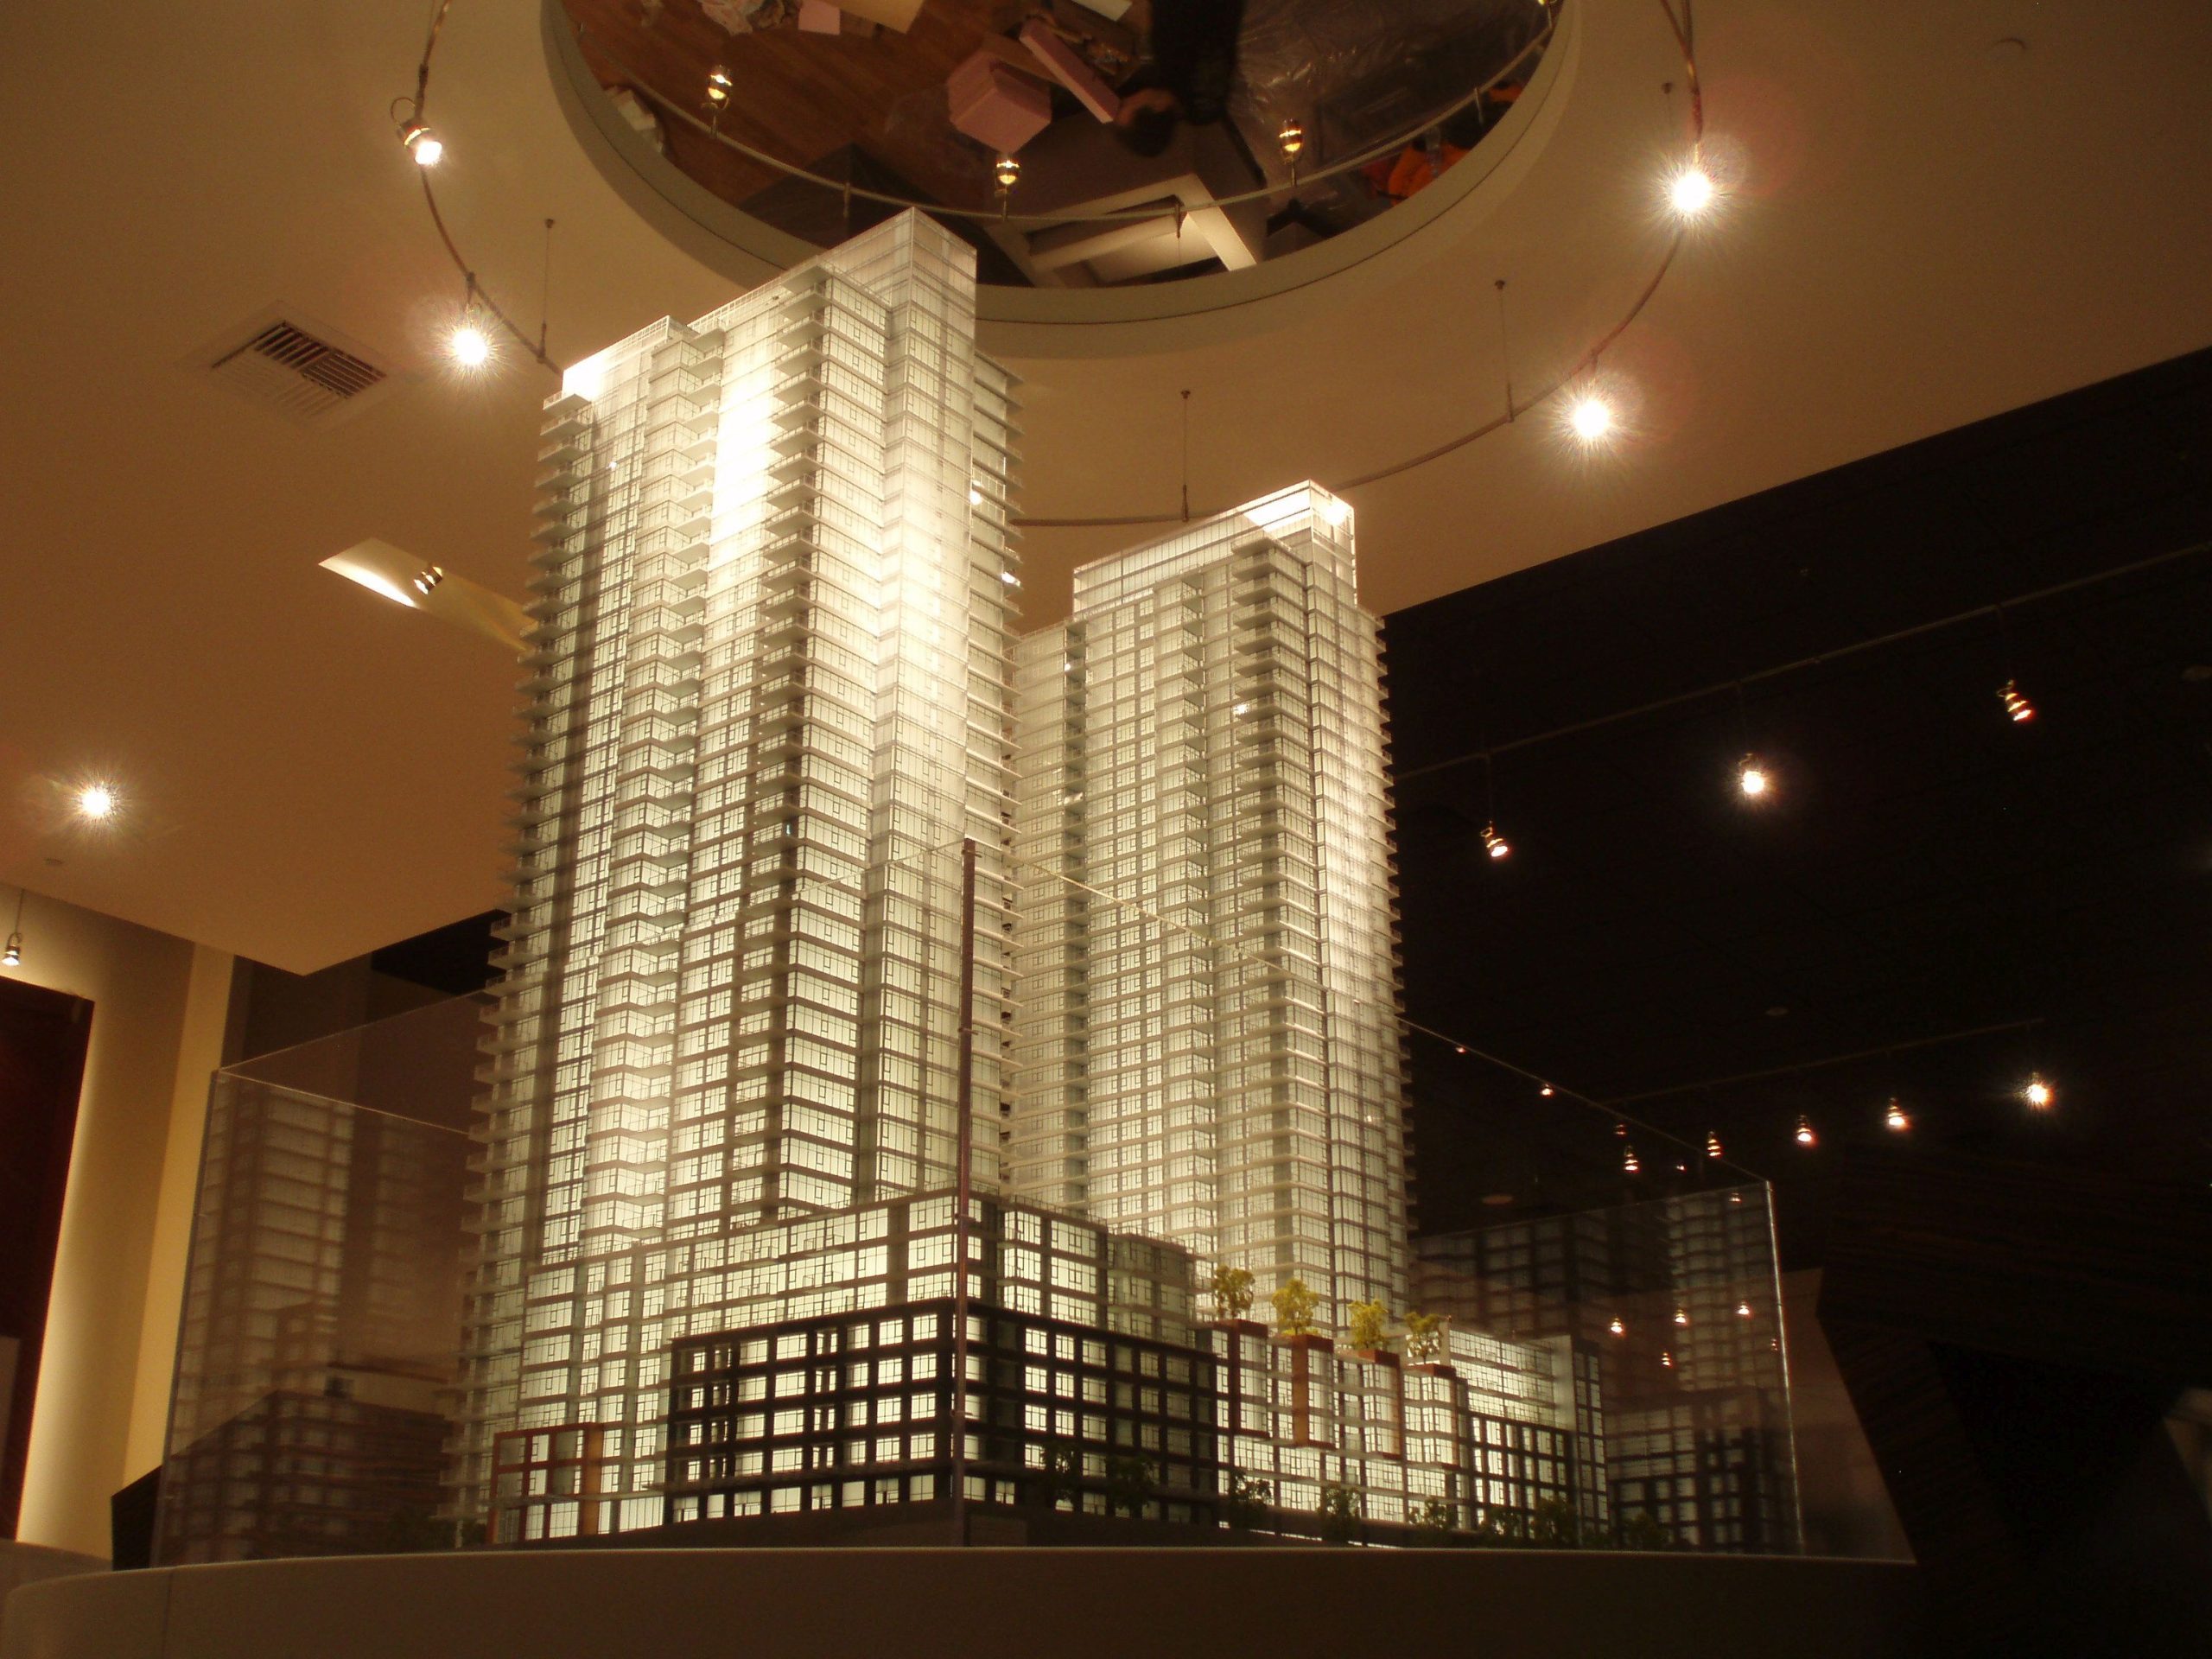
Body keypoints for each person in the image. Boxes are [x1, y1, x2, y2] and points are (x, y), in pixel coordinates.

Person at [1113, 0, 1247, 157]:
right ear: (1157, 107)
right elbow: (1198, 22)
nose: (1128, 98)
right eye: (1128, 105)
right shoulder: (1196, 89)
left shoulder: (1193, 106)